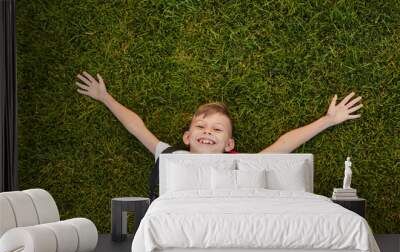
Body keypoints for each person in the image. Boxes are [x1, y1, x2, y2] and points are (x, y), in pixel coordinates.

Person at [75, 71, 363, 161]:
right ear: (187, 137)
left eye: (216, 129)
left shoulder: (240, 163)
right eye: (201, 126)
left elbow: (282, 146)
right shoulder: (172, 156)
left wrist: (328, 120)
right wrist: (105, 97)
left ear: (229, 145)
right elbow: (137, 128)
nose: (207, 131)